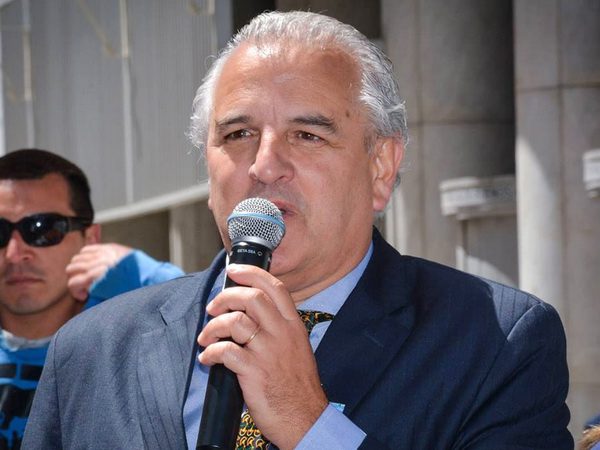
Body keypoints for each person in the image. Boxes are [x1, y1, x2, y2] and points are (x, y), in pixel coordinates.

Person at [23, 11, 572, 449]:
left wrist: (308, 425)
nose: (264, 165)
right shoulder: (90, 351)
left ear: (380, 168)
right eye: (238, 134)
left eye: (308, 135)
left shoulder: (498, 344)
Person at [0, 148, 183, 449]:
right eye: (0, 232)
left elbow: (204, 326)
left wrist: (147, 276)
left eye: (42, 229)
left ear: (91, 240)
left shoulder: (129, 341)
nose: (15, 253)